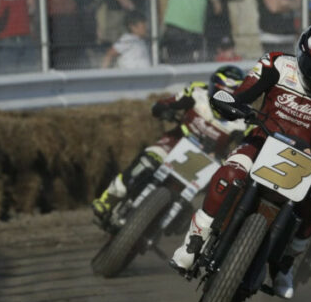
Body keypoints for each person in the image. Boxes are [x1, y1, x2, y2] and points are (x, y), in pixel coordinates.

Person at [171, 24, 311, 300]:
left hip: (306, 161)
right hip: (260, 142)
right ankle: (194, 240)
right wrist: (229, 103)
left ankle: (284, 264)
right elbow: (244, 93)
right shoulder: (276, 64)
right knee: (229, 174)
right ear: (301, 53)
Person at [92, 67, 248, 226]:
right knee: (145, 162)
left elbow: (245, 149)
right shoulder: (197, 92)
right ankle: (108, 200)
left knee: (216, 195)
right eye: (220, 93)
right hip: (173, 144)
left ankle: (189, 226)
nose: (222, 100)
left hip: (205, 165)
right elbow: (165, 103)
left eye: (229, 96)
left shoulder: (241, 122)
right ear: (213, 87)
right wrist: (164, 110)